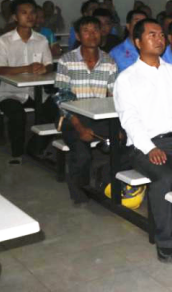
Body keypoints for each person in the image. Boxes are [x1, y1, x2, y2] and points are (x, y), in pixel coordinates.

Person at [114, 18, 172, 263]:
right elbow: (129, 119)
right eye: (152, 35)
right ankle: (164, 241)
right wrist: (149, 147)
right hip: (144, 145)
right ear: (137, 42)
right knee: (164, 179)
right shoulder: (127, 78)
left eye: (161, 35)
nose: (159, 39)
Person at [55, 15, 118, 204]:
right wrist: (79, 126)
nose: (92, 35)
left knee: (125, 143)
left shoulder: (109, 61)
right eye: (86, 31)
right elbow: (61, 97)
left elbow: (114, 97)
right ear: (78, 36)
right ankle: (79, 191)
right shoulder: (66, 61)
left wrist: (118, 127)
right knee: (82, 154)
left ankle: (105, 178)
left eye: (95, 30)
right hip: (71, 117)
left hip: (99, 117)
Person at [0, 0, 55, 164]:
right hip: (9, 92)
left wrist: (45, 69)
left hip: (35, 92)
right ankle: (17, 154)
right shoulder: (4, 41)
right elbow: (0, 69)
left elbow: (49, 64)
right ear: (15, 17)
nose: (29, 16)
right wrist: (26, 68)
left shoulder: (41, 40)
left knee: (55, 111)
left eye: (32, 12)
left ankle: (35, 148)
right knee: (17, 114)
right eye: (24, 13)